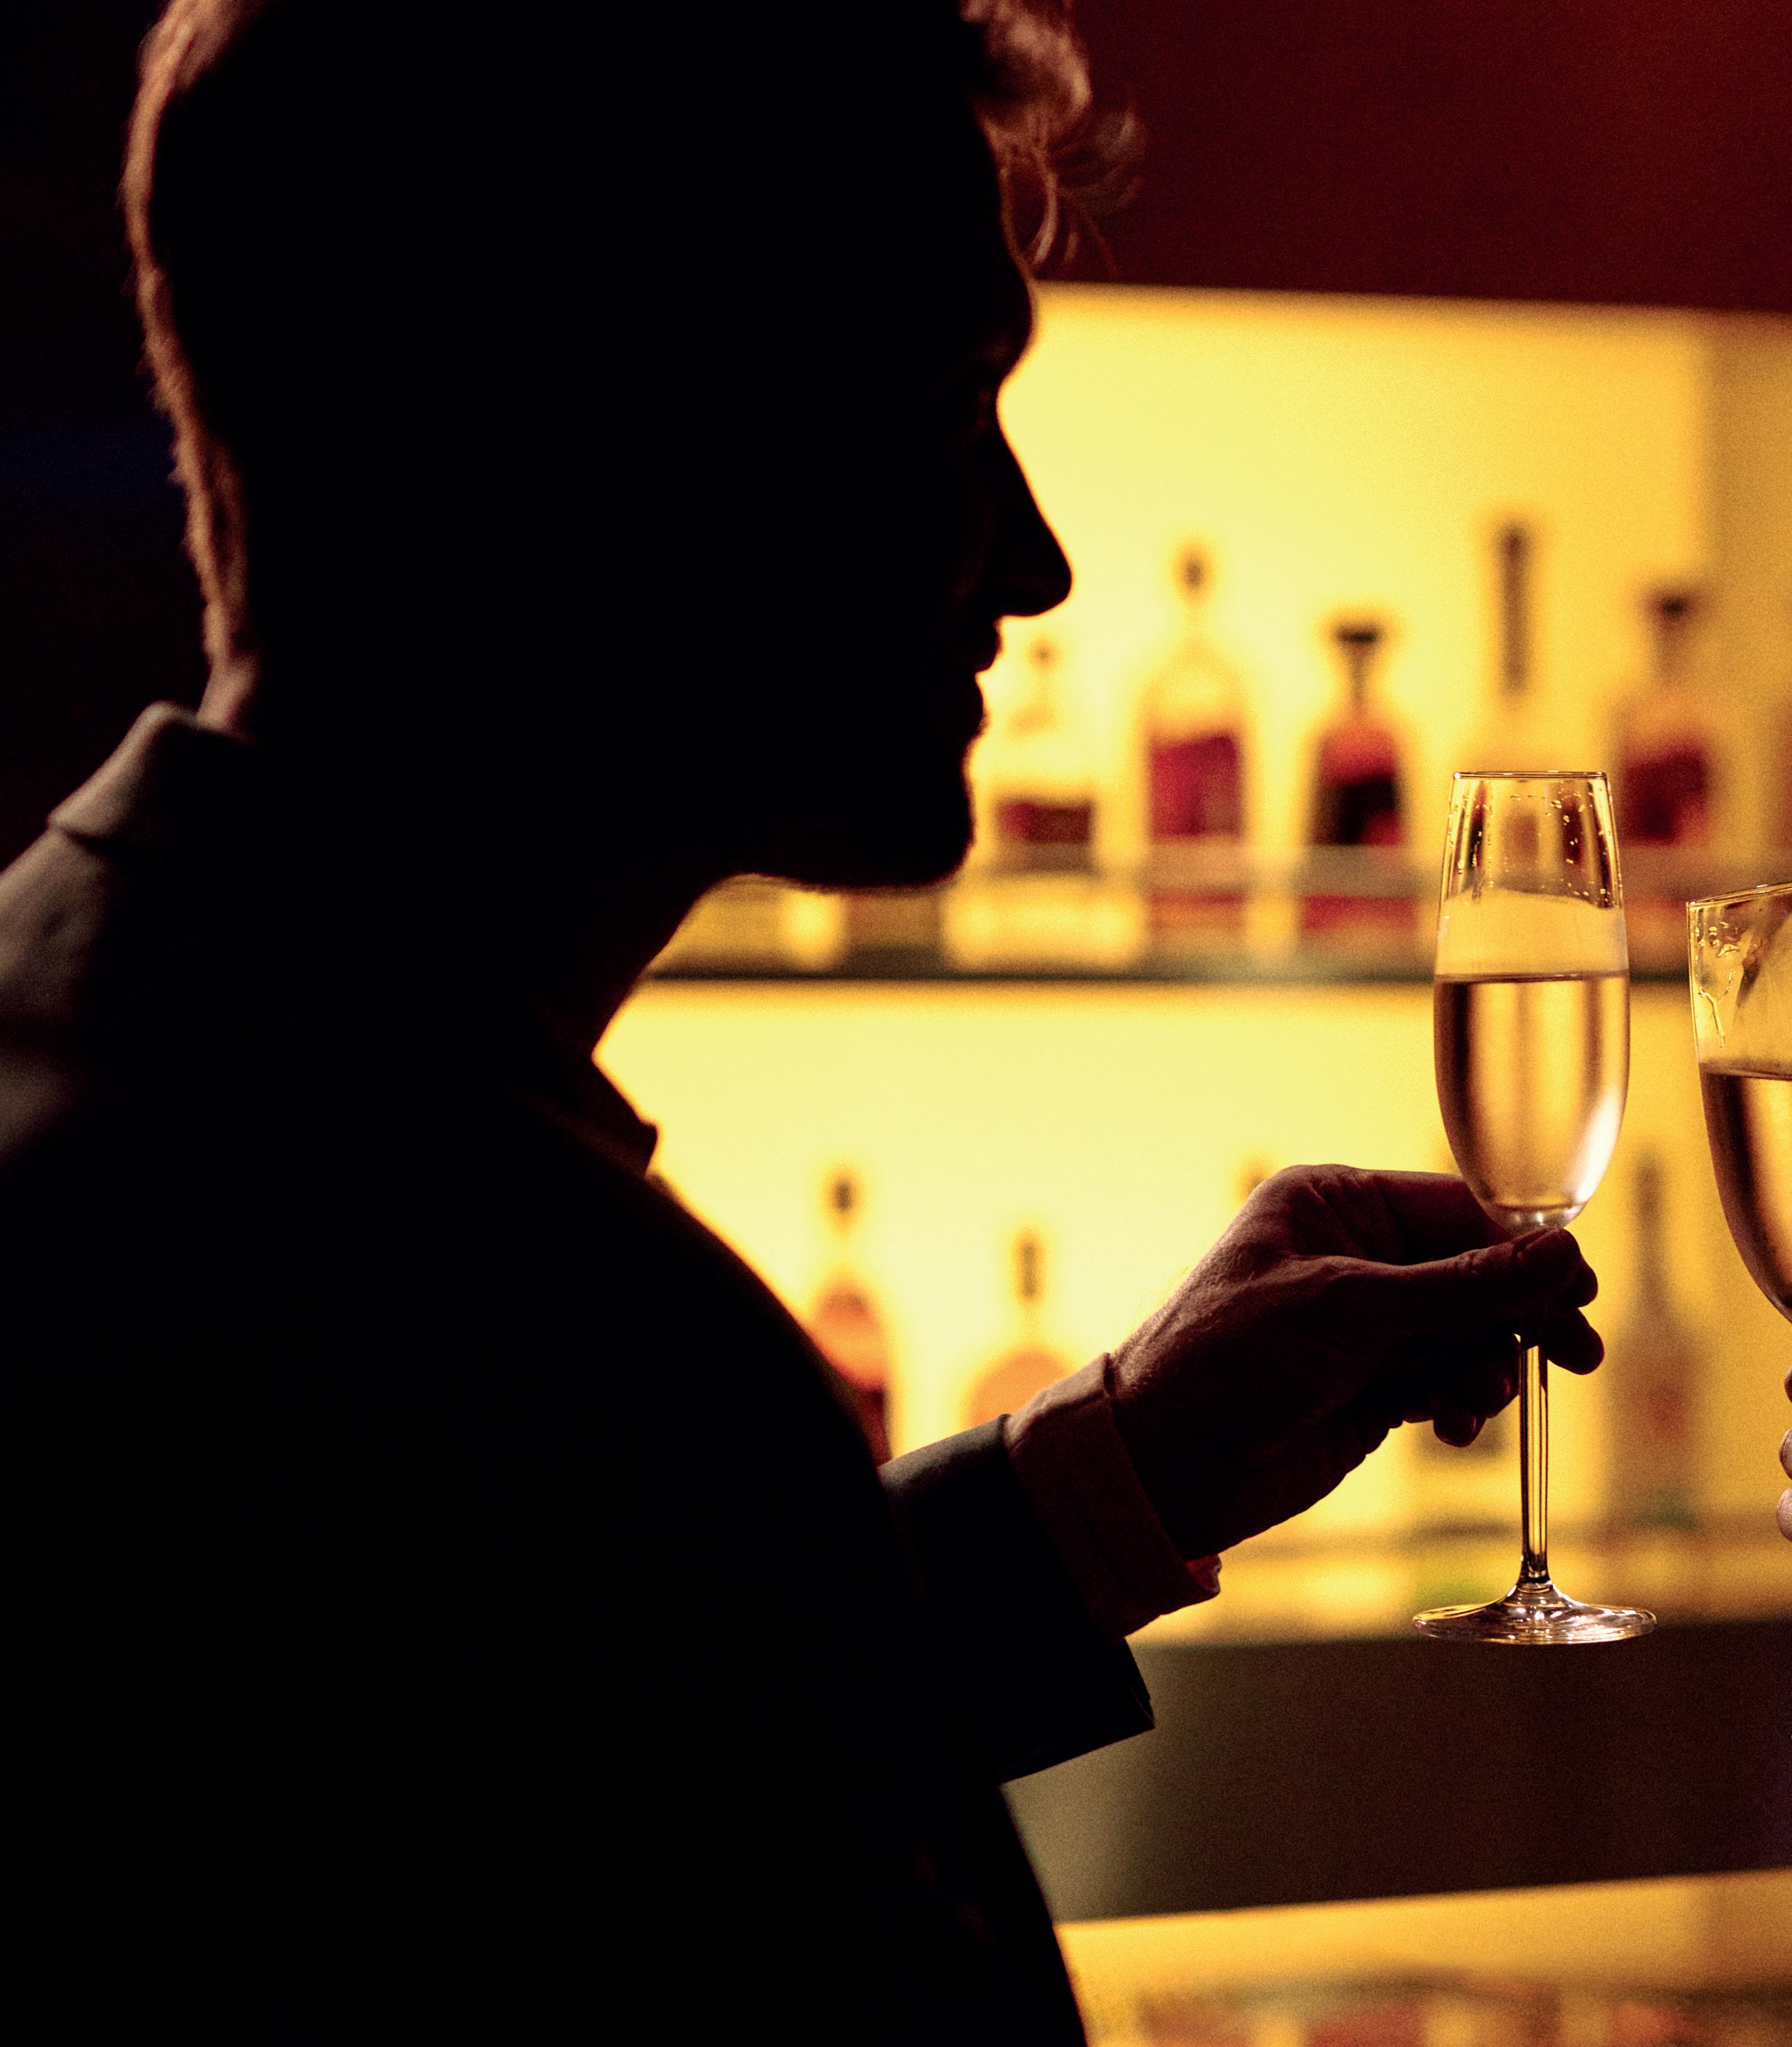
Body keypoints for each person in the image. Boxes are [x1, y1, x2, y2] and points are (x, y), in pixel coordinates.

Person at [0, 1, 1603, 2038]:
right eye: (948, 401)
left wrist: (1112, 1469)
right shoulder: (543, 1335)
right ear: (626, 429)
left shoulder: (104, 1032)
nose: (1036, 563)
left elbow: (545, 1750)